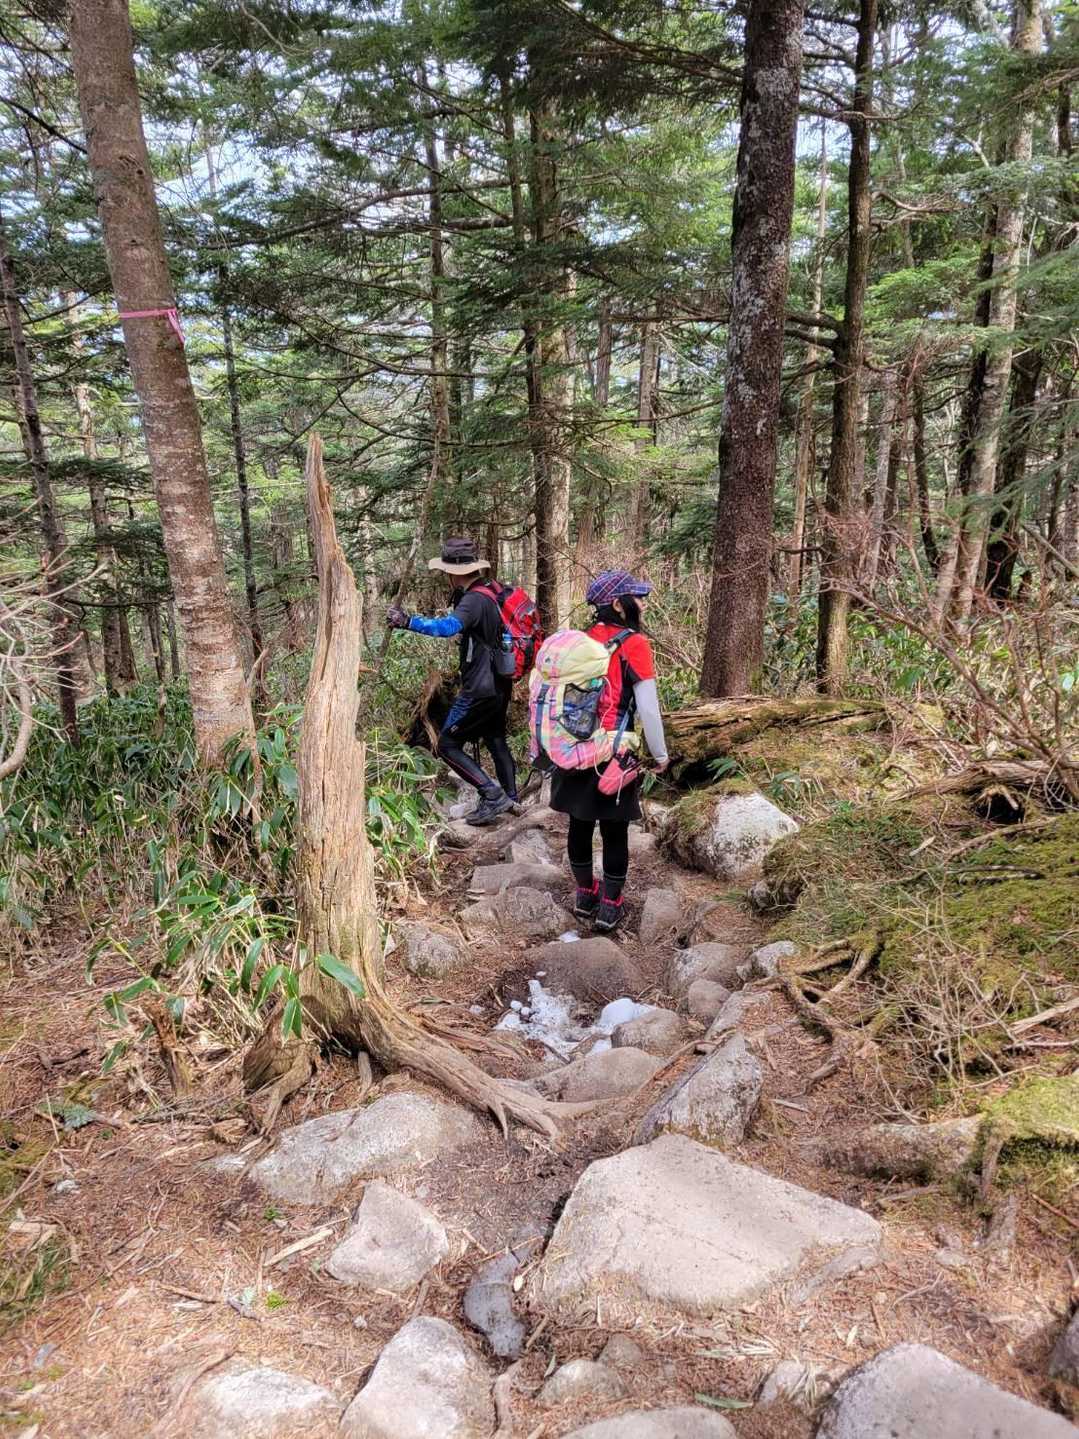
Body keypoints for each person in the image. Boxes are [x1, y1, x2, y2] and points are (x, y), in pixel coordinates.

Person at [550, 569, 669, 933]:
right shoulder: (634, 644)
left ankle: (585, 895)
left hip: (573, 747)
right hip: (614, 750)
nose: (643, 604)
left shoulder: (581, 641)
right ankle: (610, 906)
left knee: (579, 822)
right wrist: (660, 754)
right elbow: (648, 708)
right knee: (614, 830)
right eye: (637, 598)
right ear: (618, 604)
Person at [387, 537, 517, 826]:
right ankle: (512, 799)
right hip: (499, 682)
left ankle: (493, 795)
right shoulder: (489, 591)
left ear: (454, 572)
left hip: (480, 688)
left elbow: (447, 627)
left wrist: (408, 621)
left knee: (447, 744)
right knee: (495, 739)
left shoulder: (473, 600)